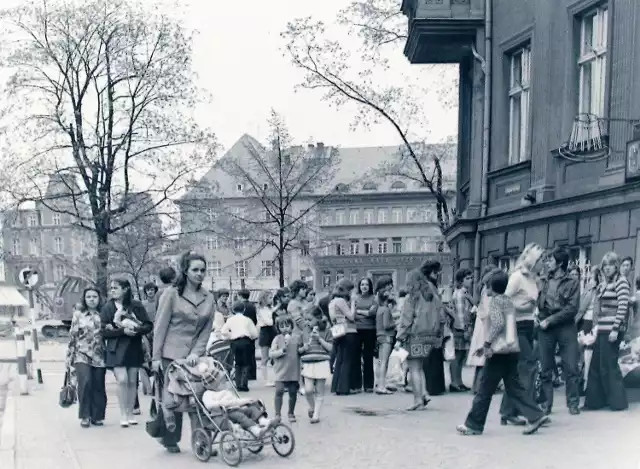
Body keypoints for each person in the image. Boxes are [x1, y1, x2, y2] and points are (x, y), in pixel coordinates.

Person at [456, 270, 551, 436]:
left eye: (486, 286)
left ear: (492, 287)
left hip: (498, 352)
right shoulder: (508, 300)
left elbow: (498, 324)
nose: (485, 289)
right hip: (511, 348)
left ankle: (474, 424)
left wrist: (486, 343)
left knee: (485, 388)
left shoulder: (495, 302)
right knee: (515, 387)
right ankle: (535, 415)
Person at [152, 251, 215, 453]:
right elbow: (160, 326)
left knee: (198, 397)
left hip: (195, 356)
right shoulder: (171, 294)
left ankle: (201, 442)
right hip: (171, 353)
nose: (199, 274)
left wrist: (197, 352)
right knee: (175, 397)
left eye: (203, 270)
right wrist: (155, 357)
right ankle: (170, 438)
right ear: (186, 271)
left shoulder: (208, 297)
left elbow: (206, 329)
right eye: (195, 270)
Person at [499, 243, 545, 426]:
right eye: (541, 259)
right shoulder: (517, 277)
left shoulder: (534, 279)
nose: (544, 262)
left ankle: (508, 411)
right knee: (528, 367)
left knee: (520, 370)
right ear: (532, 259)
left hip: (529, 326)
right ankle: (530, 412)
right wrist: (521, 307)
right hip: (516, 326)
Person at [101, 277, 152, 428]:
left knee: (132, 381)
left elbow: (148, 325)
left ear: (126, 289)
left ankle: (130, 413)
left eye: (116, 287)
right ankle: (123, 413)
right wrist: (122, 331)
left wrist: (136, 329)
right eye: (111, 288)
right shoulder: (108, 307)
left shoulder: (136, 305)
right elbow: (103, 331)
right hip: (116, 348)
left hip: (133, 347)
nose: (113, 290)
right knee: (122, 380)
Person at [536, 247, 581, 415]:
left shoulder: (572, 282)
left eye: (550, 260)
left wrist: (550, 320)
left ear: (560, 263)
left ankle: (573, 403)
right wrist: (538, 316)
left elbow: (572, 308)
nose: (547, 263)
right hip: (545, 325)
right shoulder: (544, 280)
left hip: (565, 325)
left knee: (571, 366)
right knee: (545, 367)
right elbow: (537, 302)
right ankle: (546, 405)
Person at [397, 260, 446, 411]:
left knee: (413, 368)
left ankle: (418, 399)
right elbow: (442, 316)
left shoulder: (411, 297)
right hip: (429, 335)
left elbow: (406, 320)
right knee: (420, 367)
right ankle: (423, 394)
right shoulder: (432, 294)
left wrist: (400, 338)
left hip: (414, 335)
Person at [584, 251, 629, 411]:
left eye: (610, 264)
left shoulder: (621, 282)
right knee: (596, 366)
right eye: (605, 265)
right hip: (602, 329)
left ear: (616, 266)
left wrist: (615, 329)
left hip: (612, 330)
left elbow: (623, 307)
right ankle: (595, 401)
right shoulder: (605, 283)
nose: (607, 268)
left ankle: (618, 402)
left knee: (609, 366)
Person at [66, 287, 107, 428]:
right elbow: (73, 336)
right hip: (81, 354)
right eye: (88, 296)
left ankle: (97, 416)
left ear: (99, 298)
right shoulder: (78, 315)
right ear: (84, 299)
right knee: (85, 383)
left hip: (99, 355)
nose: (92, 299)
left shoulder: (104, 313)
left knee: (98, 385)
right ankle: (85, 416)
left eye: (94, 296)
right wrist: (69, 357)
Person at [468, 265, 501, 394]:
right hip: (486, 325)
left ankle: (477, 385)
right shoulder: (488, 291)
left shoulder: (481, 289)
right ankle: (482, 387)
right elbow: (488, 311)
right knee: (485, 358)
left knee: (481, 359)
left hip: (481, 324)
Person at [202, 387, 279, 437]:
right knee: (240, 416)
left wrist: (247, 400)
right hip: (224, 413)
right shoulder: (207, 394)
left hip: (236, 408)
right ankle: (256, 431)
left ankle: (263, 421)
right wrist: (223, 403)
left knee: (252, 408)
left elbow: (236, 401)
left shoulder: (225, 391)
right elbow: (209, 405)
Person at [300, 311, 333, 423]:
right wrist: (304, 347)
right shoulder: (304, 331)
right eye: (306, 320)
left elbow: (330, 348)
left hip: (322, 362)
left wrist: (319, 338)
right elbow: (300, 348)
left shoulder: (327, 331)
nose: (307, 322)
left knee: (319, 391)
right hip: (308, 362)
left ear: (318, 319)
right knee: (308, 390)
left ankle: (316, 415)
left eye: (310, 319)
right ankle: (313, 407)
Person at [269, 317, 303, 421]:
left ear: (292, 327)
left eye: (287, 326)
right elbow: (271, 353)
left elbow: (299, 350)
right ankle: (277, 414)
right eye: (282, 326)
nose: (285, 329)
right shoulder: (277, 339)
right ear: (278, 328)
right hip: (280, 370)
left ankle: (291, 413)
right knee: (279, 391)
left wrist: (303, 349)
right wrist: (281, 351)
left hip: (293, 370)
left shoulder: (297, 338)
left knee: (293, 392)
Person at [221, 301, 259, 391]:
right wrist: (251, 337)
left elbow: (223, 331)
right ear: (244, 309)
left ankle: (238, 384)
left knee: (238, 363)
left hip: (235, 342)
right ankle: (244, 384)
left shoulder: (230, 320)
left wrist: (231, 336)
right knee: (246, 363)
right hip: (246, 341)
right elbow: (255, 334)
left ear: (233, 310)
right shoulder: (247, 320)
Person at [329, 278, 357, 396]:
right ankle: (344, 387)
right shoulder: (341, 301)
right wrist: (354, 303)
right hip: (348, 330)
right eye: (351, 290)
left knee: (339, 359)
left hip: (337, 330)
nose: (351, 293)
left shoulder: (332, 301)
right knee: (346, 360)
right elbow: (351, 316)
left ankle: (336, 386)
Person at [449, 268, 474, 392]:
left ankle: (459, 381)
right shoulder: (460, 294)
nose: (471, 280)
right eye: (468, 278)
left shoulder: (464, 293)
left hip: (462, 327)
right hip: (460, 328)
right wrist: (465, 329)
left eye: (471, 278)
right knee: (458, 355)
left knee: (461, 355)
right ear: (460, 280)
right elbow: (460, 314)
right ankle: (455, 382)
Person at [352, 277, 378, 394]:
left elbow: (373, 313)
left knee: (368, 358)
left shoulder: (374, 298)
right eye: (362, 284)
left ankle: (368, 385)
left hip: (370, 330)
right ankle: (357, 385)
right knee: (356, 357)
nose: (364, 287)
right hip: (357, 330)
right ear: (359, 286)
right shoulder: (355, 298)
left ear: (370, 286)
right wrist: (365, 313)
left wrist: (360, 312)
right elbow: (353, 315)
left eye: (366, 285)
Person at [374, 276, 396, 394]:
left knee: (380, 361)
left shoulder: (379, 309)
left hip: (380, 336)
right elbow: (387, 325)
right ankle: (382, 386)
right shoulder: (386, 310)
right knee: (384, 362)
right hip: (387, 337)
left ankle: (379, 383)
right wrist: (395, 323)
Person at [256, 291, 277, 386]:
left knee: (274, 356)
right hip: (265, 331)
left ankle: (276, 377)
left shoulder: (270, 308)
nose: (271, 299)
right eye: (269, 297)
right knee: (265, 358)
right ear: (264, 299)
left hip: (272, 331)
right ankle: (266, 380)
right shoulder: (261, 310)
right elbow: (269, 322)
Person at [237, 289, 258, 381]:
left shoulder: (240, 307)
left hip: (242, 333)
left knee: (244, 356)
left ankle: (245, 375)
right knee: (252, 354)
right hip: (251, 332)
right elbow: (255, 320)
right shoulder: (252, 306)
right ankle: (253, 374)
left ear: (240, 296)